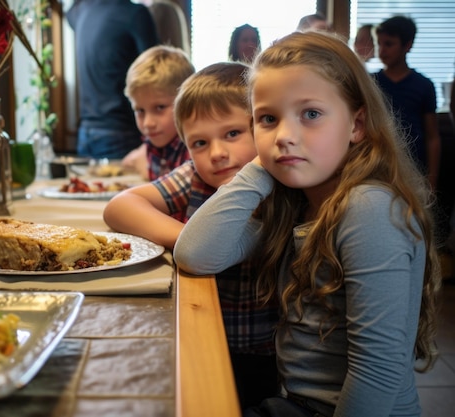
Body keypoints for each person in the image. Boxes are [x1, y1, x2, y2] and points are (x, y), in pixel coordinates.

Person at [174, 31, 442, 416]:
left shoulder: (369, 209)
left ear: (356, 125)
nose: (284, 136)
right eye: (267, 119)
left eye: (311, 114)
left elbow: (377, 372)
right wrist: (260, 167)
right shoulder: (295, 202)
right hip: (299, 404)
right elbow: (195, 253)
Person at [105, 62, 279, 409]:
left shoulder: (282, 181)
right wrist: (192, 236)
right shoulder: (196, 178)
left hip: (268, 349)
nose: (216, 153)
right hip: (202, 334)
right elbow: (119, 207)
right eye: (200, 143)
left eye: (232, 134)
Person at [66, 0, 159, 159]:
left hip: (85, 132)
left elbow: (69, 12)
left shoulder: (81, 11)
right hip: (120, 131)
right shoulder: (135, 14)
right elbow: (157, 70)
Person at [373, 15, 441, 191]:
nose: (382, 50)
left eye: (388, 44)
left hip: (414, 168)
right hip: (377, 166)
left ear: (407, 45)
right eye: (379, 44)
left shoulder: (424, 85)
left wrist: (431, 181)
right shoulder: (371, 82)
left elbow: (432, 136)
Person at [121, 45, 195, 181]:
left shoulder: (194, 149)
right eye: (140, 110)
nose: (148, 123)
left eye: (160, 107)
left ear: (186, 102)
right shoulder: (152, 143)